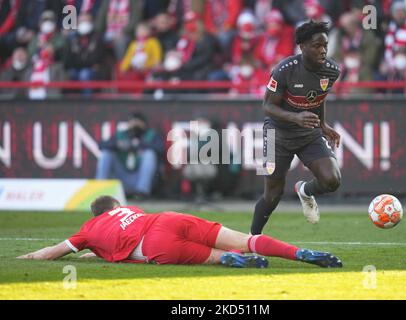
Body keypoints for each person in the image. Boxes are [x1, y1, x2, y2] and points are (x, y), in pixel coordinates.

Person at [17, 195, 342, 268]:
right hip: (166, 219)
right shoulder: (131, 210)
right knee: (247, 240)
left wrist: (26, 257)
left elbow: (52, 253)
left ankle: (232, 261)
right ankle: (297, 252)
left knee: (223, 257)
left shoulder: (88, 230)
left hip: (155, 245)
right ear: (116, 205)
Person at [250, 20, 341, 235]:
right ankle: (252, 240)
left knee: (332, 180)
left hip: (308, 133)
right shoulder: (284, 70)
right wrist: (296, 118)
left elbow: (319, 98)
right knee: (272, 194)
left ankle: (305, 190)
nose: (323, 50)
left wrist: (322, 124)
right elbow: (267, 106)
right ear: (302, 47)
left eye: (325, 45)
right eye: (317, 46)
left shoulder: (332, 71)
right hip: (275, 134)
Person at [95, 112, 164, 199]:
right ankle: (99, 190)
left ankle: (142, 193)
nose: (135, 124)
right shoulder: (121, 135)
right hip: (121, 177)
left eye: (138, 122)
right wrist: (118, 145)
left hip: (140, 178)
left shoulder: (151, 135)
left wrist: (139, 145)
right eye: (132, 121)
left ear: (144, 124)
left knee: (149, 154)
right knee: (106, 153)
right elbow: (101, 145)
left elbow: (160, 149)